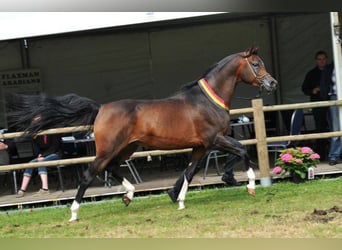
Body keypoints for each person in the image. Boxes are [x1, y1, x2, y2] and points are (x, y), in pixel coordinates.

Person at [301, 50, 332, 160]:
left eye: (323, 59)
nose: (322, 61)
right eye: (319, 59)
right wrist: (312, 90)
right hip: (318, 105)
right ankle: (321, 155)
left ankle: (335, 153)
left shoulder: (332, 71)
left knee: (334, 128)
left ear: (326, 59)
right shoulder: (311, 74)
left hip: (332, 103)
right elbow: (304, 89)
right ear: (316, 61)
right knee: (320, 129)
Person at [16, 133, 62, 198]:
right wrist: (35, 140)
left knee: (41, 162)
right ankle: (22, 190)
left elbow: (55, 147)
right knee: (30, 164)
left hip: (55, 154)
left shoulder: (53, 131)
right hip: (43, 156)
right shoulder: (39, 135)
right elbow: (37, 150)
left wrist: (43, 155)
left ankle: (45, 189)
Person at [327, 67, 341, 165]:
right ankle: (334, 156)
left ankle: (334, 155)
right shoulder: (334, 65)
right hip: (335, 96)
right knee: (336, 129)